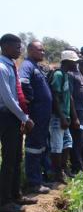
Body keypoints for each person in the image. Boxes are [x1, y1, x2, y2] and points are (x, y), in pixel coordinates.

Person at [0, 34, 36, 212]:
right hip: (6, 116)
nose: (19, 50)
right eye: (17, 47)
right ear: (5, 47)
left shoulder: (10, 65)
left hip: (12, 116)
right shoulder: (1, 68)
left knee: (15, 157)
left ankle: (15, 194)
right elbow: (7, 98)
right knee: (8, 159)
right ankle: (4, 200)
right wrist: (24, 118)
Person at [19, 41, 52, 194]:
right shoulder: (27, 65)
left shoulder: (36, 66)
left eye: (43, 50)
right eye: (40, 50)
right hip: (36, 114)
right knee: (33, 147)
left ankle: (40, 178)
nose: (43, 52)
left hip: (43, 115)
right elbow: (23, 81)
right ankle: (33, 182)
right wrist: (30, 99)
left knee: (41, 146)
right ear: (31, 50)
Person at [49, 50, 79, 183]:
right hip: (57, 117)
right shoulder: (59, 75)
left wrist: (72, 116)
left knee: (67, 143)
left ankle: (64, 169)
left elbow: (69, 98)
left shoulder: (66, 75)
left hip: (64, 116)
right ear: (67, 62)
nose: (76, 65)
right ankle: (58, 174)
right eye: (74, 62)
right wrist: (61, 117)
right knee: (57, 146)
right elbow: (54, 97)